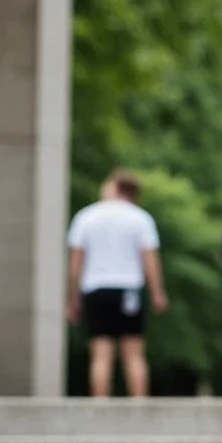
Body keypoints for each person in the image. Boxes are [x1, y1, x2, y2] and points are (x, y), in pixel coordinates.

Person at [65, 170, 168, 398]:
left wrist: (73, 298)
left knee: (101, 354)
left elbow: (75, 263)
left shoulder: (86, 217)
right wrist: (157, 293)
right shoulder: (141, 219)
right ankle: (139, 405)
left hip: (96, 289)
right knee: (134, 354)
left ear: (114, 186)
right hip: (129, 290)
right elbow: (150, 260)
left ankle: (100, 409)